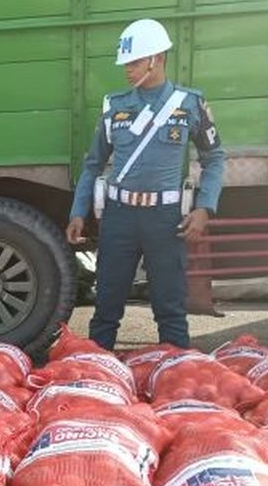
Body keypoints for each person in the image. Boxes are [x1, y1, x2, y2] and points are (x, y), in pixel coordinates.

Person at [66, 19, 226, 351]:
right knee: (106, 310)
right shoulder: (115, 106)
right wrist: (78, 211)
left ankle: (177, 383)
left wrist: (204, 209)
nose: (127, 69)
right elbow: (93, 163)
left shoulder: (190, 104)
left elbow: (215, 157)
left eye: (135, 61)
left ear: (158, 58)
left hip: (166, 220)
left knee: (170, 312)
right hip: (119, 217)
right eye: (126, 62)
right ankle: (98, 380)